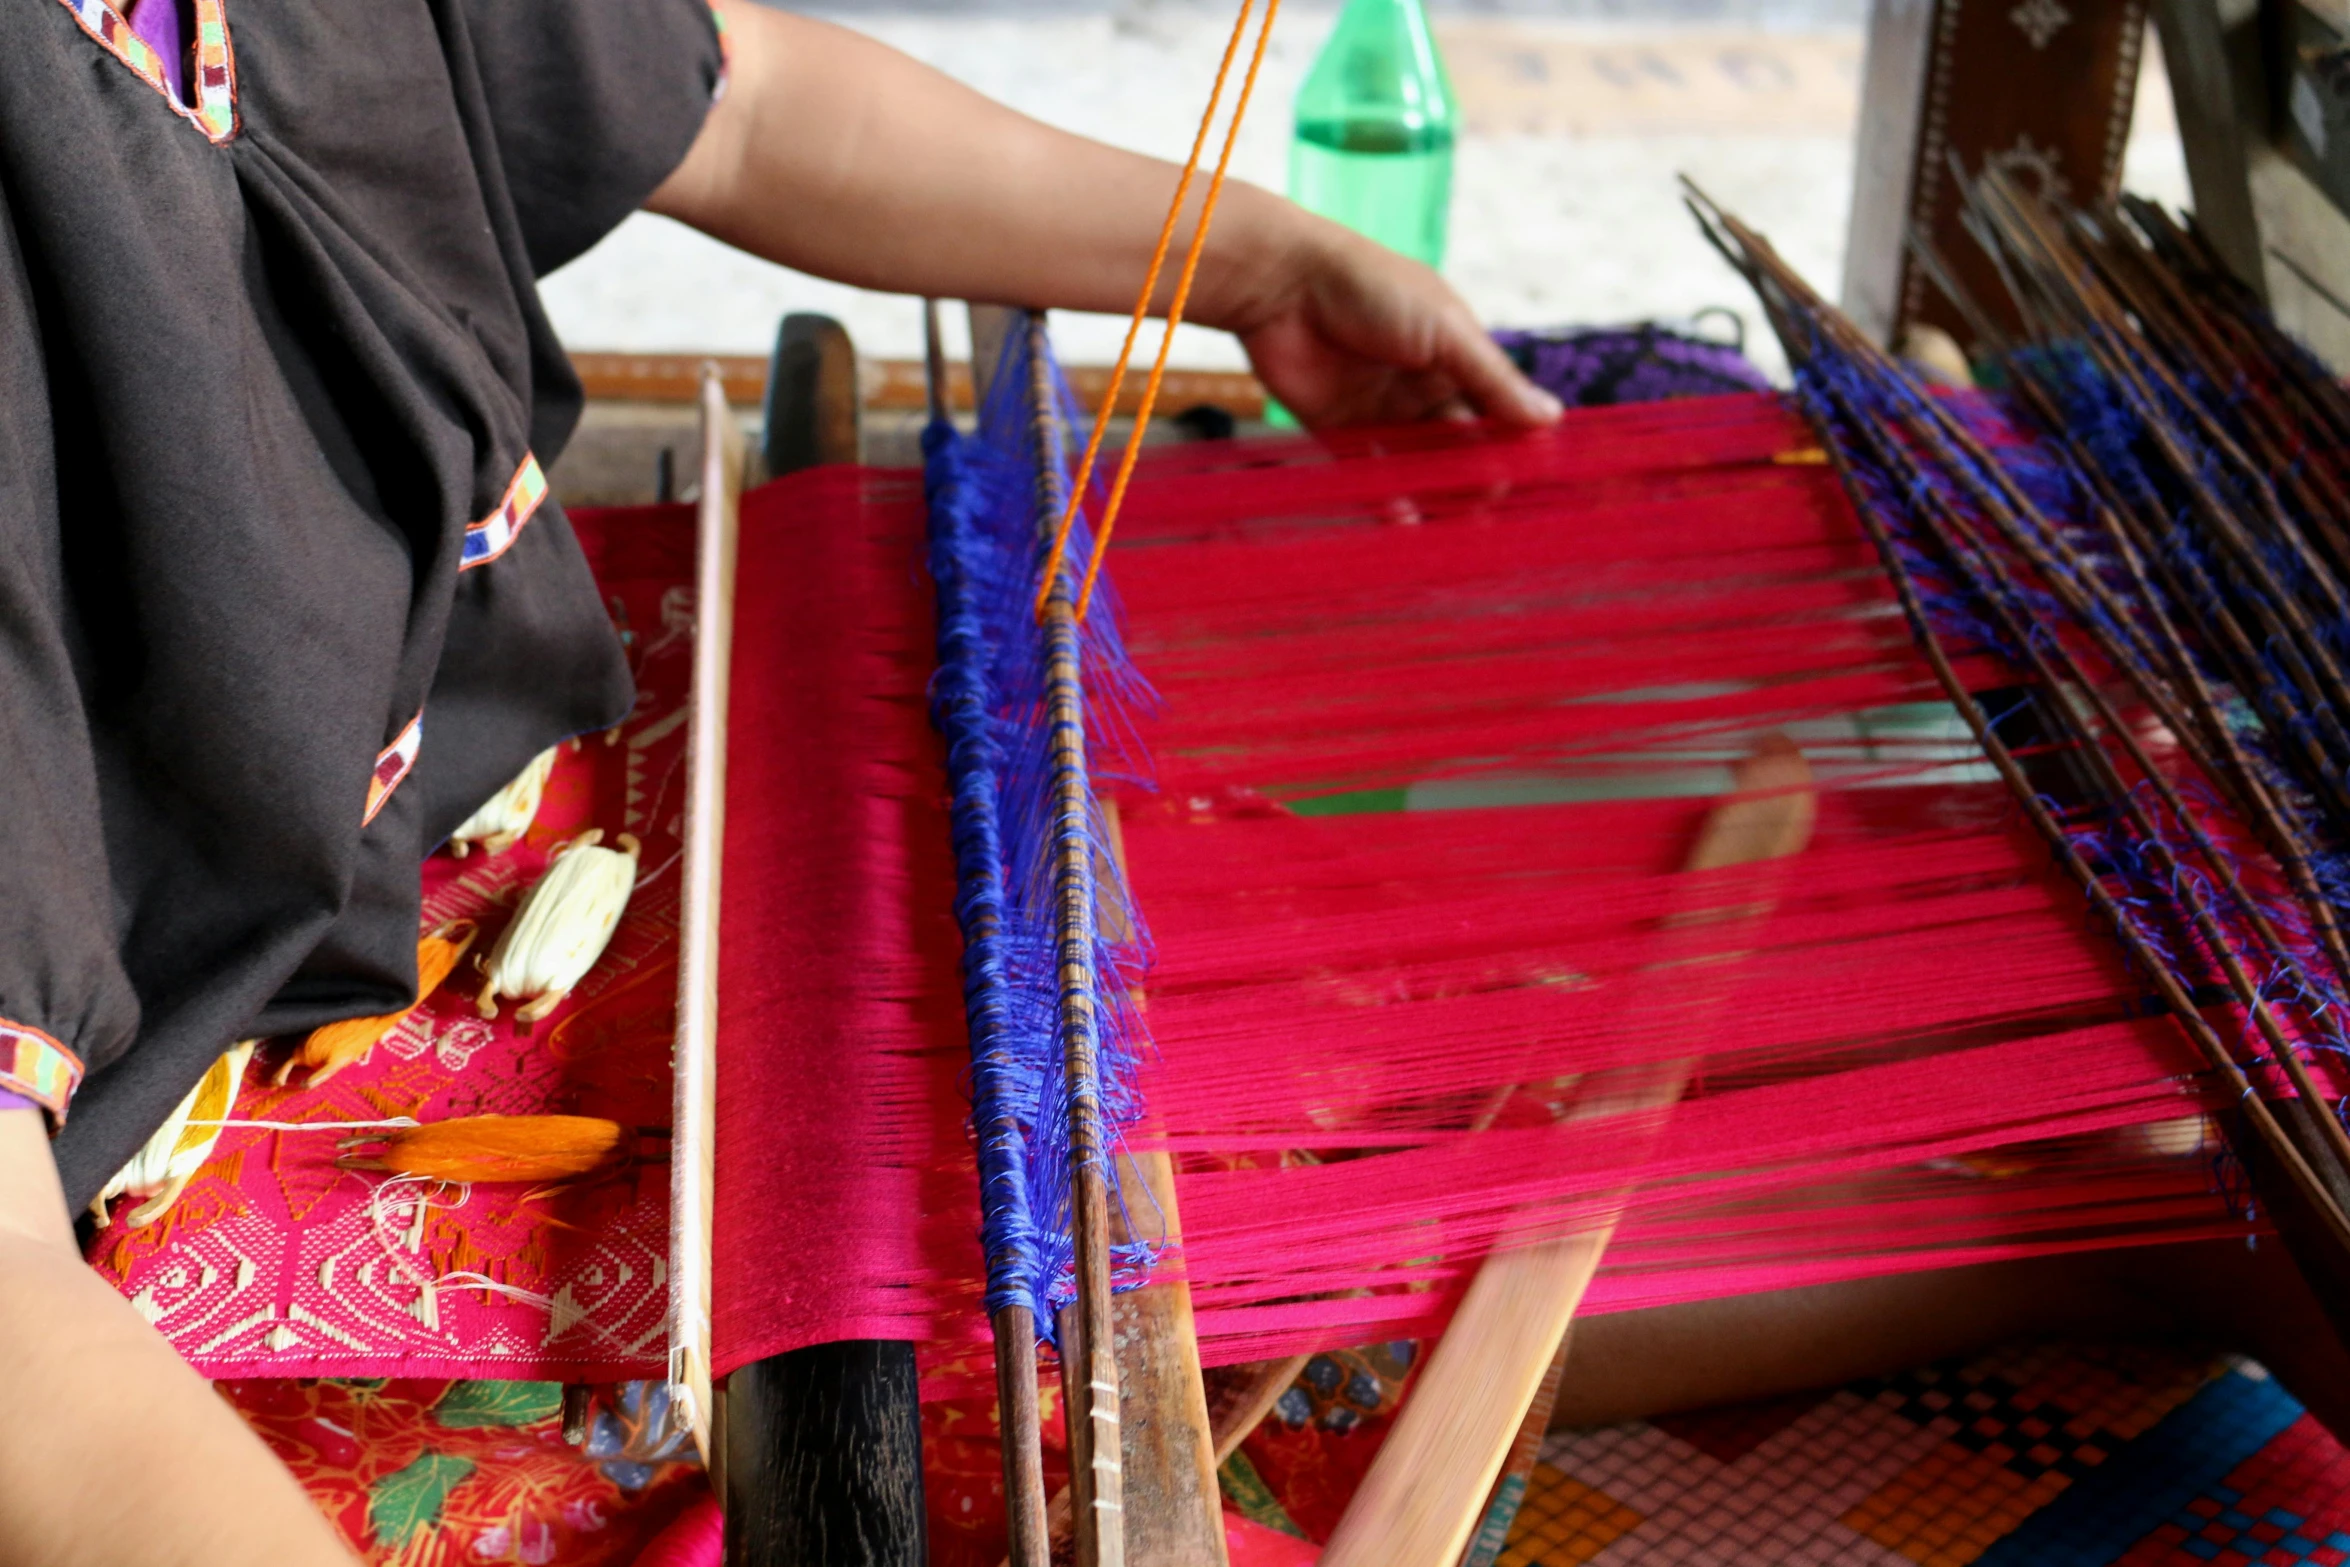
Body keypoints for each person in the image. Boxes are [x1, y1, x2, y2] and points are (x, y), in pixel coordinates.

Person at [0, 0, 1560, 1558]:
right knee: (1384, 1311)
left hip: (503, 805)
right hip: (188, 1123)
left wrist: (1259, 264)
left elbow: (734, 99)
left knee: (1485, 1139)